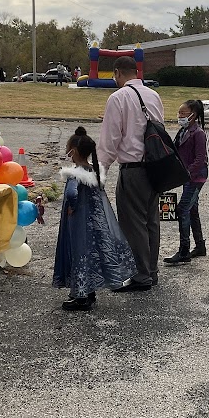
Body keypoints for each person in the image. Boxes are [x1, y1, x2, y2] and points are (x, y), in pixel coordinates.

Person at [97, 56, 165, 291]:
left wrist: (100, 172)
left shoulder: (118, 98)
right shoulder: (153, 95)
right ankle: (152, 271)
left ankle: (140, 275)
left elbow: (110, 140)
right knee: (151, 221)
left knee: (133, 223)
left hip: (133, 169)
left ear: (117, 73)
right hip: (156, 167)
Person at [53, 127, 137, 311]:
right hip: (93, 224)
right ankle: (88, 293)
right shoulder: (93, 171)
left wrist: (71, 208)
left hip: (78, 224)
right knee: (91, 254)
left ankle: (82, 296)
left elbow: (72, 193)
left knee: (79, 254)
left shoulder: (76, 174)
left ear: (73, 151)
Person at [164, 99, 209, 264]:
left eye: (183, 113)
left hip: (196, 177)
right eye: (179, 113)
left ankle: (184, 251)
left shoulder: (198, 133)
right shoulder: (183, 131)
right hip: (187, 177)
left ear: (193, 115)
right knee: (192, 210)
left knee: (182, 209)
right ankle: (199, 246)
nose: (180, 116)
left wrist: (186, 173)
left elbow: (200, 159)